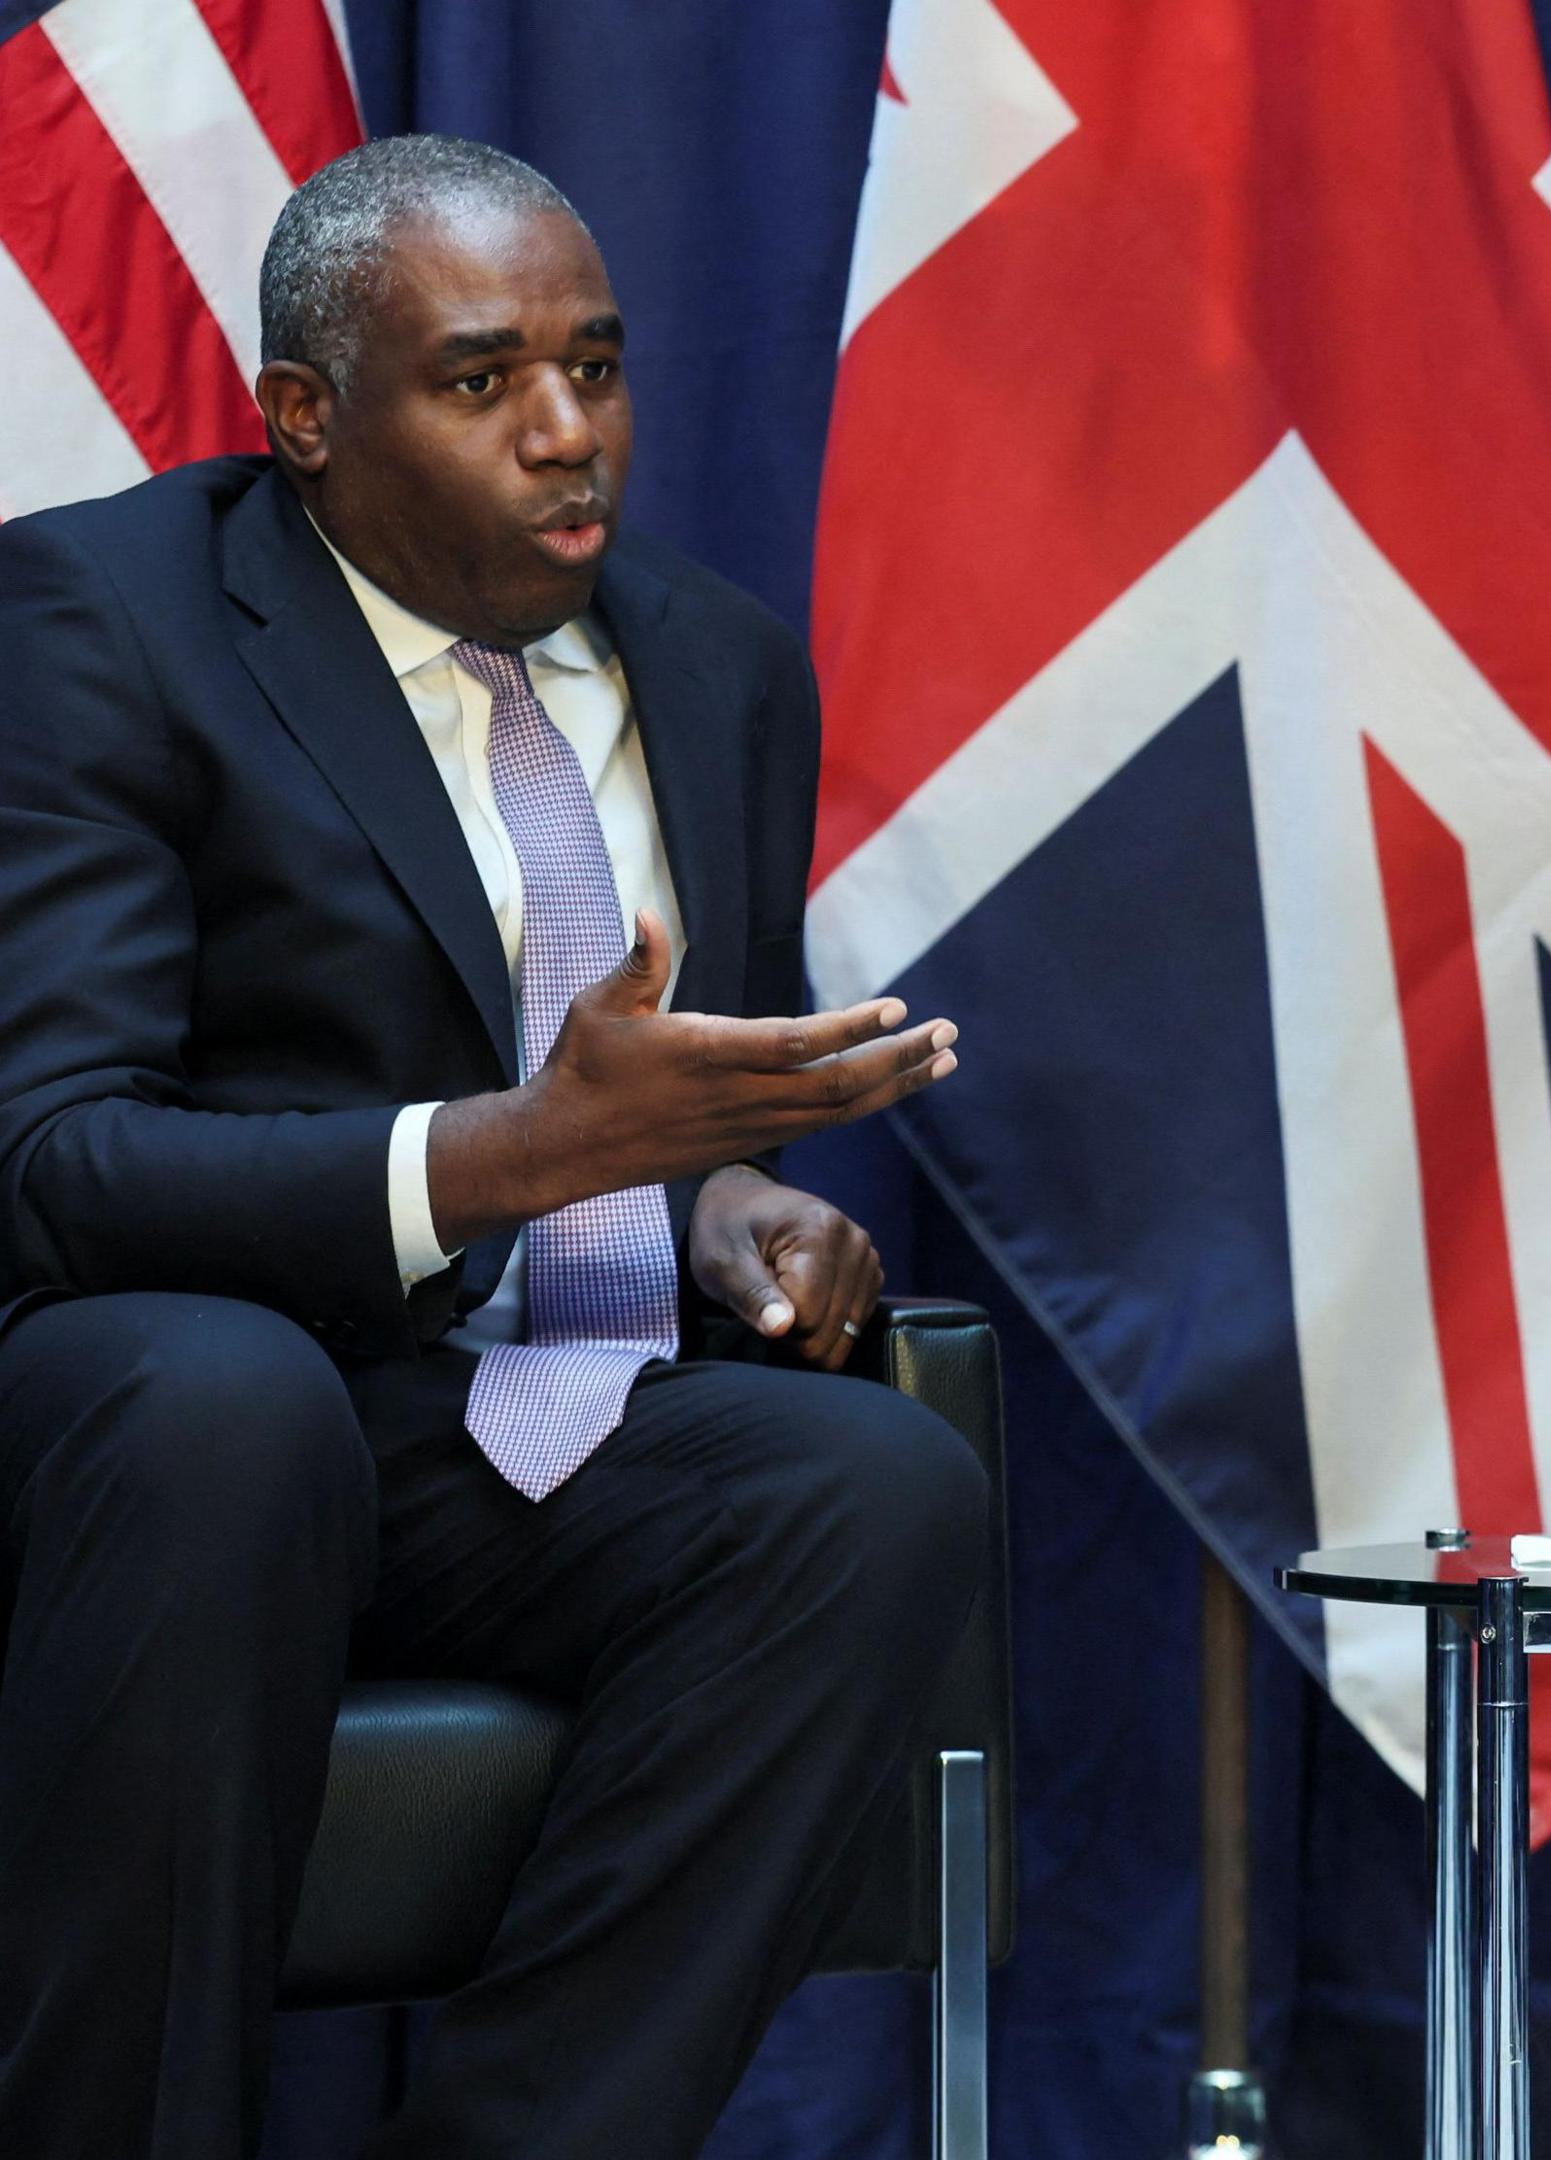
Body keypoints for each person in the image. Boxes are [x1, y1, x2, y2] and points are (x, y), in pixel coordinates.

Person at [0, 135, 982, 2158]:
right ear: (304, 418)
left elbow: (671, 1101)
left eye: (597, 369)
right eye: (479, 380)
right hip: (165, 1407)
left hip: (509, 1420)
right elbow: (55, 1163)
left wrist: (739, 1202)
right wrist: (512, 1155)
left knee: (873, 1481)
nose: (566, 436)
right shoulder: (103, 621)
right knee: (225, 1403)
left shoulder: (716, 668)